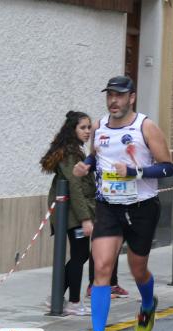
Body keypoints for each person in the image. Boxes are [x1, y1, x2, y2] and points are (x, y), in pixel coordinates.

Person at [72, 76, 173, 331]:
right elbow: (97, 156)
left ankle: (147, 303)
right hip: (108, 207)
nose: (113, 101)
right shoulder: (99, 127)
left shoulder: (145, 127)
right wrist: (86, 165)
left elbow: (167, 169)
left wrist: (135, 172)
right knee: (102, 267)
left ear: (132, 97)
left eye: (119, 95)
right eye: (110, 96)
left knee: (138, 268)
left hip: (142, 207)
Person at [41, 110, 97, 316]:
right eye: (83, 127)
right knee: (80, 254)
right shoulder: (70, 154)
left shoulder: (74, 151)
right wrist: (85, 219)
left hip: (74, 211)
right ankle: (72, 301)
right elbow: (75, 187)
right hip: (73, 212)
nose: (87, 131)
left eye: (89, 127)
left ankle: (57, 297)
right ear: (72, 129)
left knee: (79, 255)